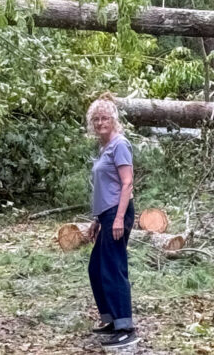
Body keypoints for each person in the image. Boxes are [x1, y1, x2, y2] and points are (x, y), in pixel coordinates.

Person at [85, 92, 138, 348]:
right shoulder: (104, 147)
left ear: (113, 120)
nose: (100, 122)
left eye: (104, 118)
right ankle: (111, 320)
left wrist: (118, 218)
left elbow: (127, 184)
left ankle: (126, 326)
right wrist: (98, 219)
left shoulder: (120, 145)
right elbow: (106, 187)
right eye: (96, 119)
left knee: (113, 268)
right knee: (96, 268)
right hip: (106, 215)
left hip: (119, 213)